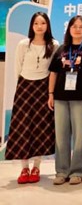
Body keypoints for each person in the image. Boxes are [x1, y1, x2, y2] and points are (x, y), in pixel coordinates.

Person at [48, 15, 82, 185]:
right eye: (74, 26)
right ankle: (61, 171)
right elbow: (53, 72)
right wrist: (50, 94)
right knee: (61, 136)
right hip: (60, 98)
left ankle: (78, 171)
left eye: (81, 26)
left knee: (79, 137)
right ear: (69, 29)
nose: (77, 29)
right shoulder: (61, 49)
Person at [6, 12, 58, 184]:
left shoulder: (54, 45)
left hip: (44, 88)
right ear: (31, 26)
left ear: (47, 25)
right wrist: (21, 86)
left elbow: (54, 70)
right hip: (25, 87)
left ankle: (36, 167)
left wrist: (51, 92)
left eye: (43, 23)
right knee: (23, 127)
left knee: (40, 127)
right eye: (36, 23)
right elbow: (17, 67)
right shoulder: (23, 44)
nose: (39, 26)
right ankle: (24, 168)